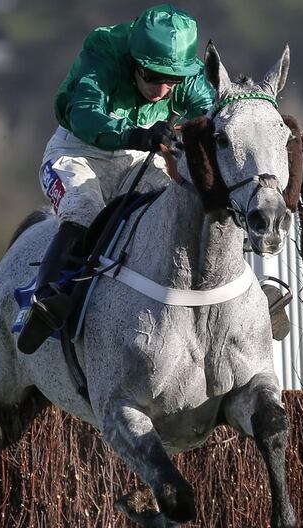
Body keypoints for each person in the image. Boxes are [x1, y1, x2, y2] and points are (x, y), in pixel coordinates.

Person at [18, 4, 216, 354]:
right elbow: (85, 115)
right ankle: (46, 299)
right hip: (79, 151)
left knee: (172, 208)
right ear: (134, 62)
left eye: (172, 80)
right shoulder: (103, 53)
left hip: (138, 157)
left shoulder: (188, 74)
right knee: (84, 209)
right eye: (153, 77)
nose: (162, 89)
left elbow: (212, 114)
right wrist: (136, 134)